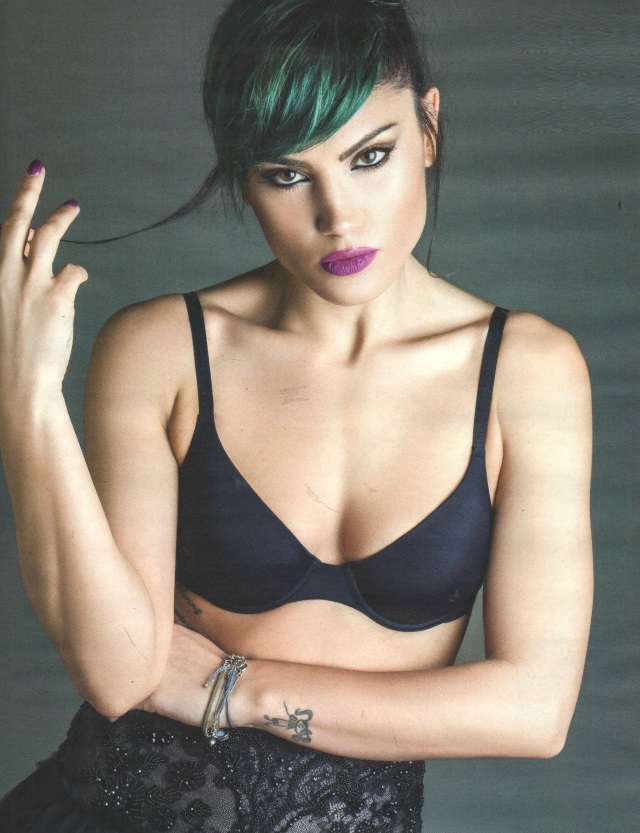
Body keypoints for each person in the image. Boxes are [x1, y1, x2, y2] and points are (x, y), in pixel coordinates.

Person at [0, 0, 593, 831]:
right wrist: (27, 398)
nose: (338, 216)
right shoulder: (163, 349)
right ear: (243, 177)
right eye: (286, 175)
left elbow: (535, 711)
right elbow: (118, 671)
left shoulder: (528, 372)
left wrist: (235, 688)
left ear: (428, 127)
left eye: (370, 156)